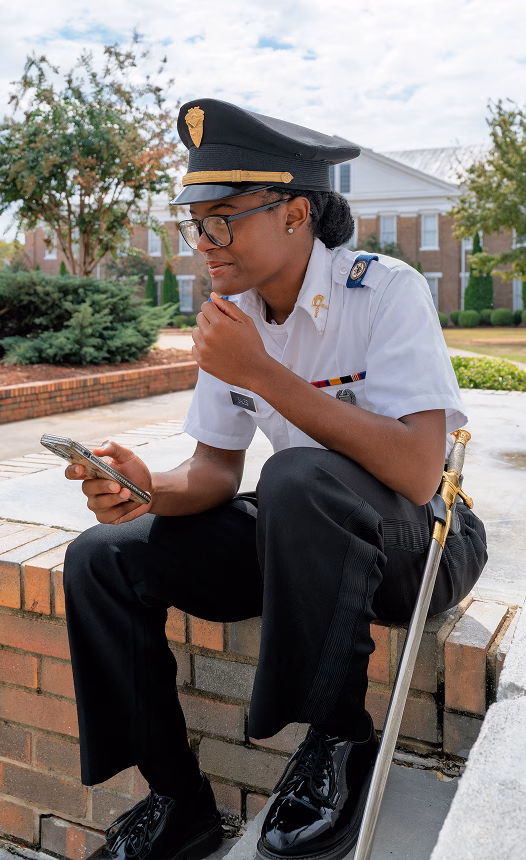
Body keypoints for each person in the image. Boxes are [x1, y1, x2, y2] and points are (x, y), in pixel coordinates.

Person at [62, 98, 488, 860]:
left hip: (417, 542)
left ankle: (337, 744)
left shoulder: (385, 290)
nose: (204, 241)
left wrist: (263, 372)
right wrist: (145, 489)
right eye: (195, 221)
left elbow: (421, 470)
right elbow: (216, 468)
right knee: (104, 555)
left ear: (295, 213)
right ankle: (177, 799)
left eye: (223, 216)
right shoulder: (235, 311)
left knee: (295, 476)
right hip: (305, 536)